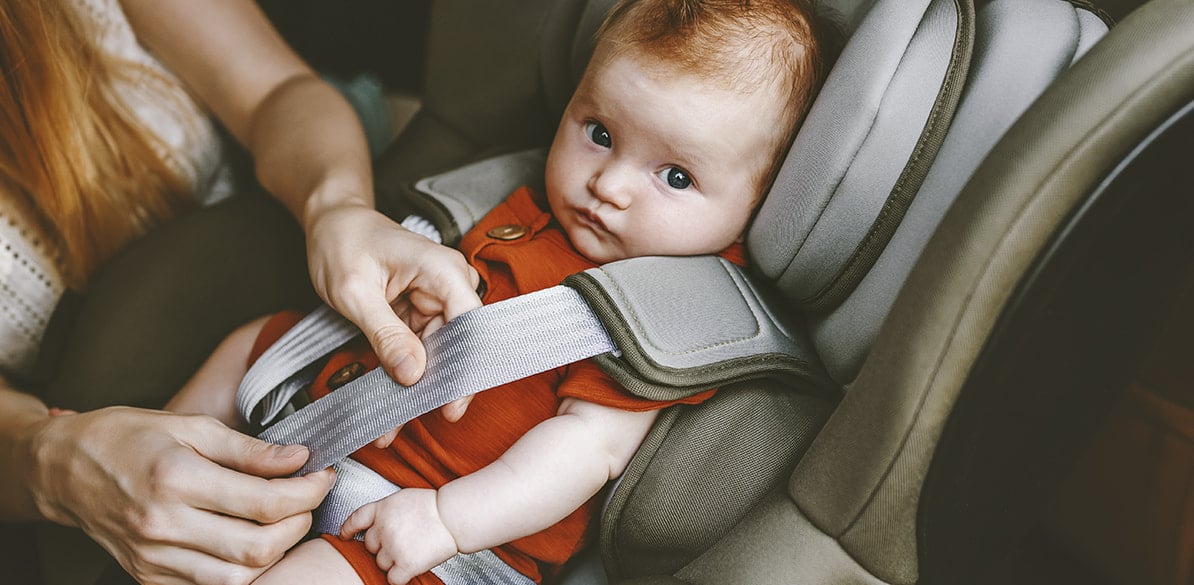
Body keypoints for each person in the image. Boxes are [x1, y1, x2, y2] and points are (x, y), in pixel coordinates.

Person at [166, 0, 824, 583]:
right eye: (599, 133)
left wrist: (447, 521)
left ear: (756, 200)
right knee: (251, 344)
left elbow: (586, 450)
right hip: (336, 419)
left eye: (675, 176)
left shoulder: (667, 311)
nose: (610, 185)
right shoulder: (528, 200)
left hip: (434, 537)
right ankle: (164, 461)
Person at [0, 0, 479, 584]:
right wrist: (49, 463)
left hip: (295, 207)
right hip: (81, 415)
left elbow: (276, 90)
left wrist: (335, 207)